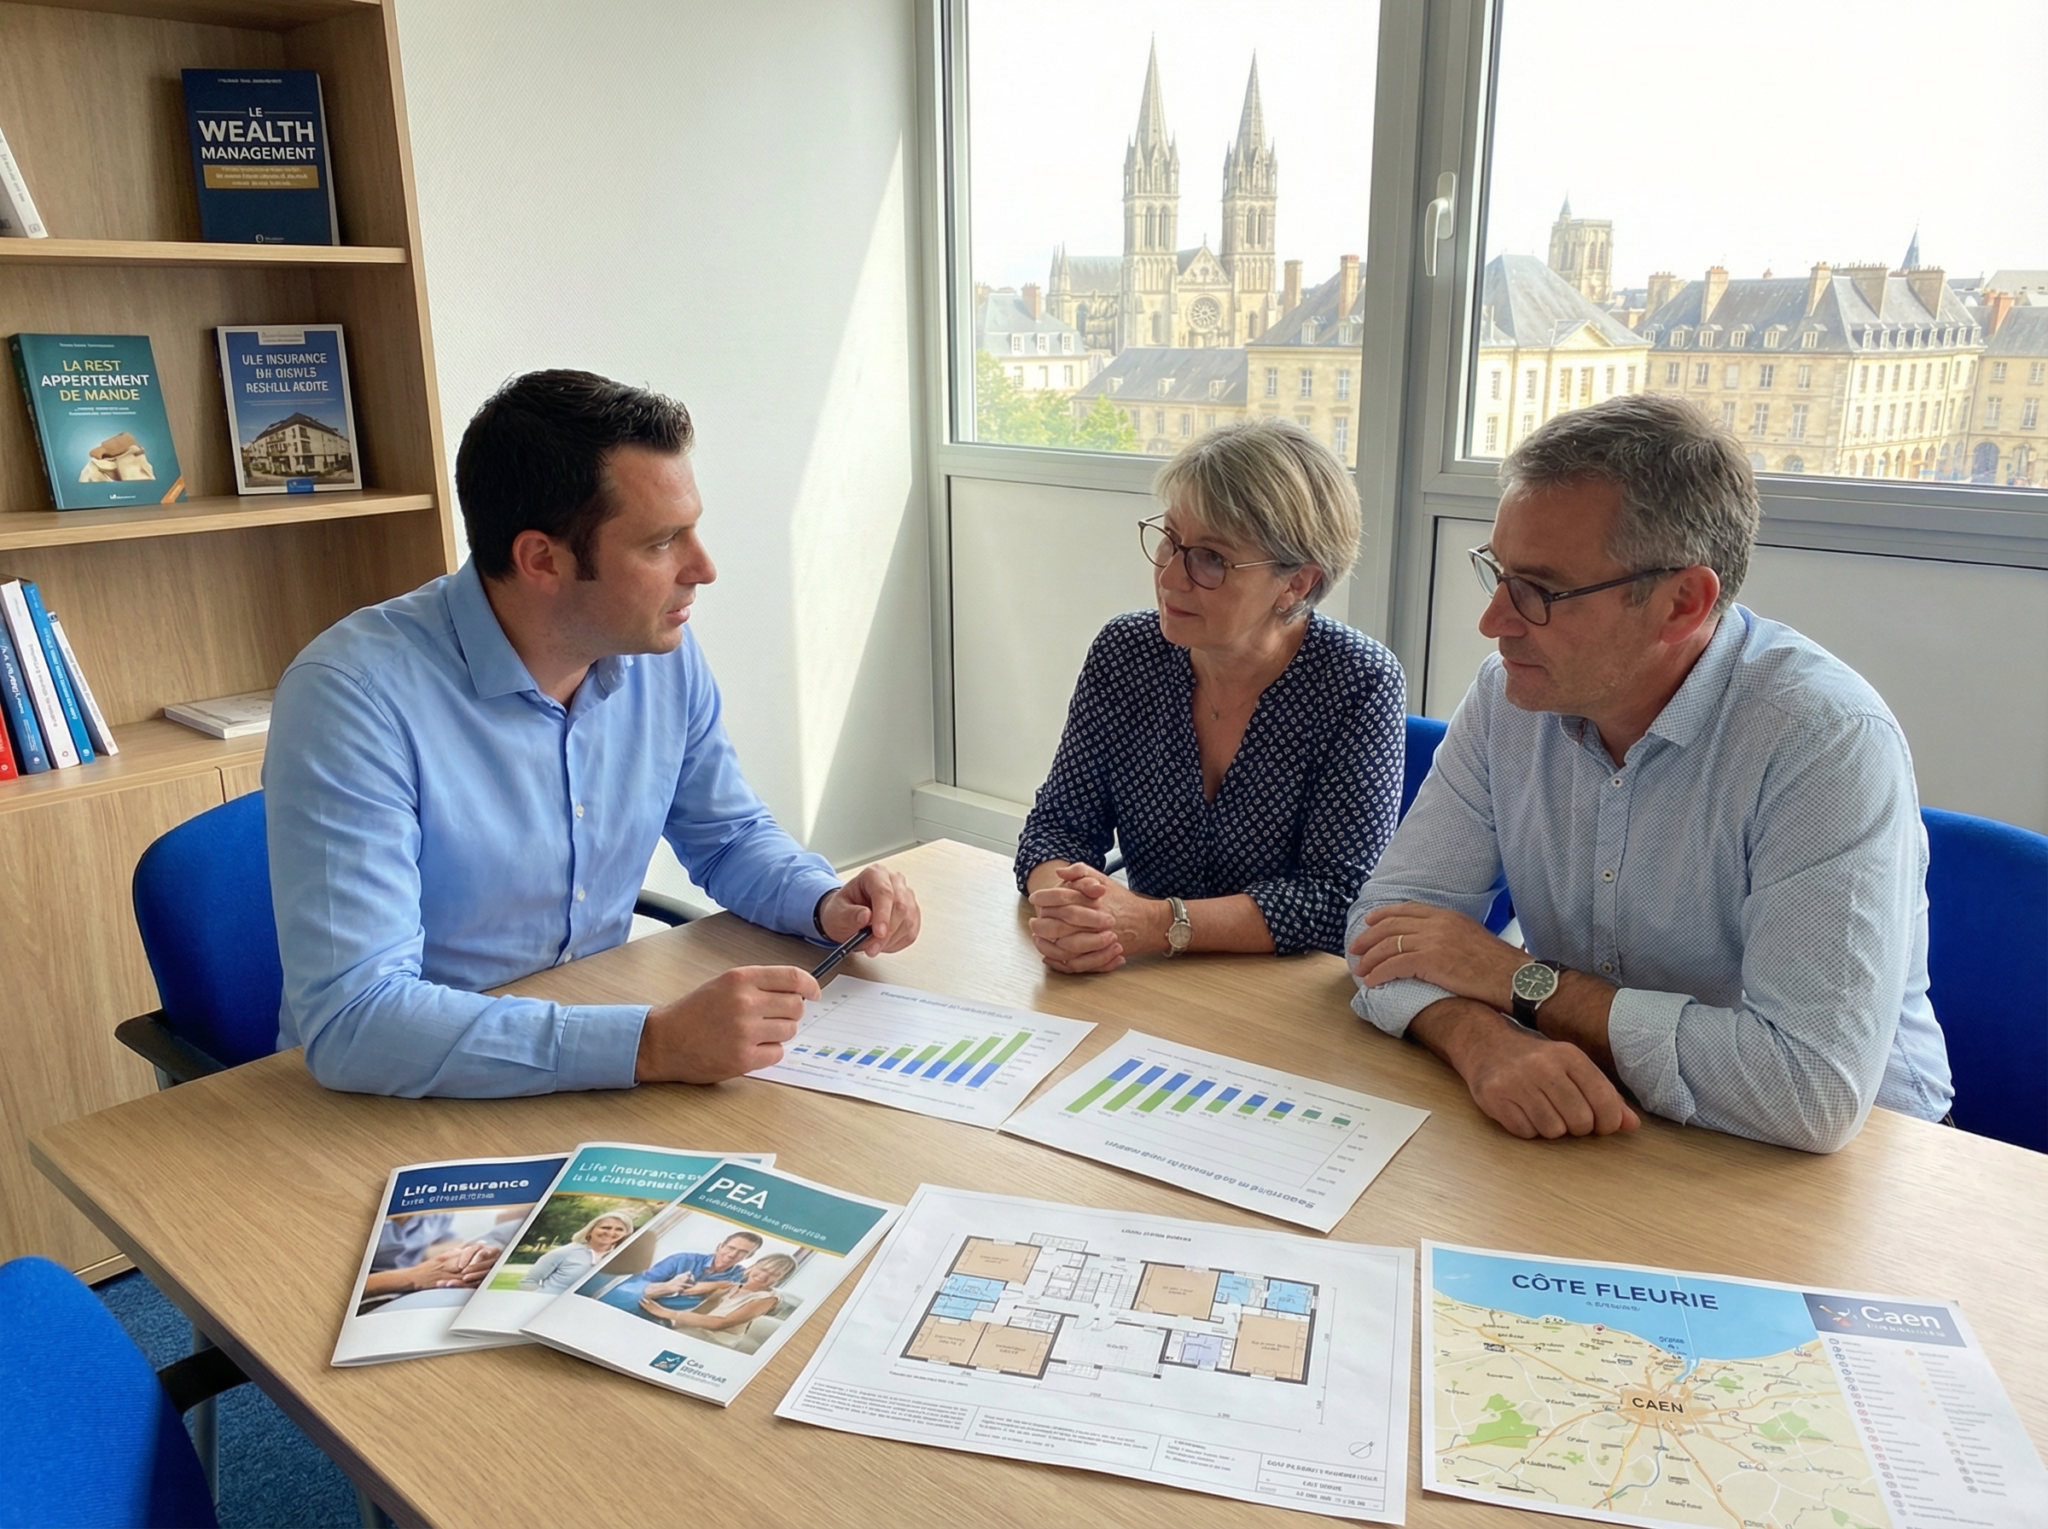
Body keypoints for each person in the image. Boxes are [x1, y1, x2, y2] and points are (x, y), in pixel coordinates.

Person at [265, 370, 921, 1098]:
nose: (703, 568)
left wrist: (825, 902)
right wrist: (648, 1043)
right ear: (542, 559)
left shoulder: (656, 652)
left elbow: (729, 836)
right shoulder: (352, 696)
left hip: (587, 1061)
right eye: (662, 543)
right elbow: (358, 1020)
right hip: (401, 1096)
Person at [1347, 394, 1953, 1153]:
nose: (1494, 619)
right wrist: (1479, 1038)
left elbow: (1809, 1089)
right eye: (1497, 573)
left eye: (1539, 590)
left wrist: (1519, 981)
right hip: (1611, 1117)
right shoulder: (1509, 696)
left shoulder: (1824, 740)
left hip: (1862, 1171)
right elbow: (1383, 928)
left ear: (1682, 602)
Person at [1015, 418, 1405, 969]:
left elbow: (1336, 899)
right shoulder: (1128, 653)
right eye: (1170, 541)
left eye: (1211, 559)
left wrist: (1157, 923)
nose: (1171, 578)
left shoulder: (1358, 680)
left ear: (1296, 583)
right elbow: (1058, 824)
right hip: (1139, 973)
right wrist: (1070, 907)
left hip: (1277, 996)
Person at [592, 1229, 760, 1316]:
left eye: (742, 1252)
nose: (732, 1255)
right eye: (730, 1248)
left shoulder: (739, 1275)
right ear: (720, 1246)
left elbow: (731, 1297)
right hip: (640, 1301)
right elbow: (640, 1281)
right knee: (631, 1290)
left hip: (666, 1317)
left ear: (748, 1256)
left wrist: (714, 1285)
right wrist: (667, 1287)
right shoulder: (682, 1259)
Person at [637, 1253, 797, 1336]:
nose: (763, 1276)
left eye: (773, 1274)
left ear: (781, 1279)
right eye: (763, 1269)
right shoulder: (731, 1285)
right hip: (692, 1327)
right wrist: (716, 1284)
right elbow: (688, 1290)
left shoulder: (769, 1298)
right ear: (755, 1265)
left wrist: (667, 1313)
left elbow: (720, 1323)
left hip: (715, 1338)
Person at [515, 1210, 636, 1294]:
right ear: (590, 1230)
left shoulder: (619, 1259)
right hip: (546, 1309)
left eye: (619, 1229)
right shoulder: (565, 1252)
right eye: (605, 1227)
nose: (610, 1233)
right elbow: (528, 1281)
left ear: (625, 1235)